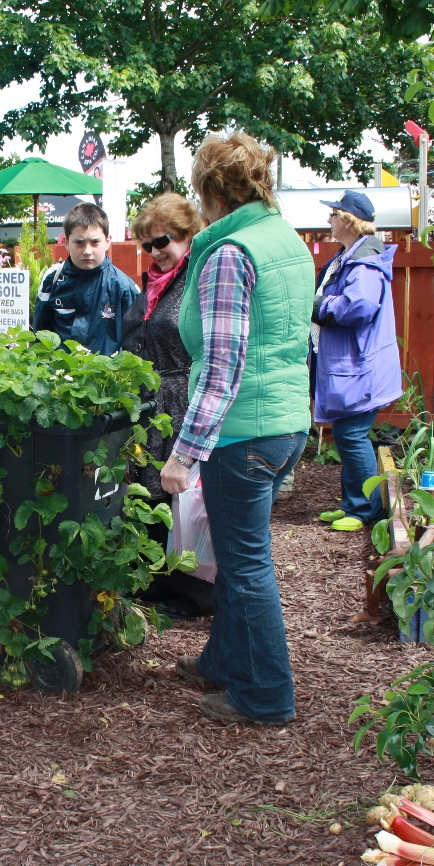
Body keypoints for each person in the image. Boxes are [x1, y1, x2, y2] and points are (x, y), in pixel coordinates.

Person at [159, 132, 313, 725]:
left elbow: (222, 369)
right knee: (237, 553)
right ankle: (223, 661)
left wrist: (184, 455)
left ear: (210, 192)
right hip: (284, 425)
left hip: (243, 432)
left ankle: (267, 696)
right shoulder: (287, 242)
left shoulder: (231, 254)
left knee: (246, 564)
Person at [122, 193, 214, 620]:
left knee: (184, 498)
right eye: (147, 245)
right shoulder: (154, 283)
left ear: (186, 236)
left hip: (182, 397)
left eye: (163, 242)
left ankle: (193, 594)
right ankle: (156, 582)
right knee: (152, 492)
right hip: (151, 401)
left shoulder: (197, 278)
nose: (155, 252)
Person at [310, 191, 402, 533]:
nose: (329, 221)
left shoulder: (365, 261)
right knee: (349, 435)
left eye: (333, 215)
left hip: (361, 368)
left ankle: (366, 510)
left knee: (351, 435)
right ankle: (353, 503)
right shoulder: (350, 256)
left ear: (348, 220)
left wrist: (317, 307)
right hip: (353, 367)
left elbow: (358, 306)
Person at [33, 202, 140, 355]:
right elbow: (40, 335)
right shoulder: (53, 279)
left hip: (106, 376)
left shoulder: (123, 287)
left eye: (95, 242)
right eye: (79, 243)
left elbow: (136, 344)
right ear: (66, 242)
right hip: (60, 375)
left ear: (107, 241)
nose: (87, 251)